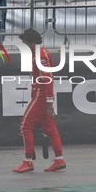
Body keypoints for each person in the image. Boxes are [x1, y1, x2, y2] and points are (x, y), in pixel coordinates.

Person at [12, 29, 66, 173]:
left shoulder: (40, 55)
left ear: (33, 43)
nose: (23, 47)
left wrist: (49, 103)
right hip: (40, 95)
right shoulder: (39, 53)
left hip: (40, 96)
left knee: (25, 126)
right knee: (50, 128)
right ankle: (59, 159)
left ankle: (28, 162)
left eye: (25, 44)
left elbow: (48, 79)